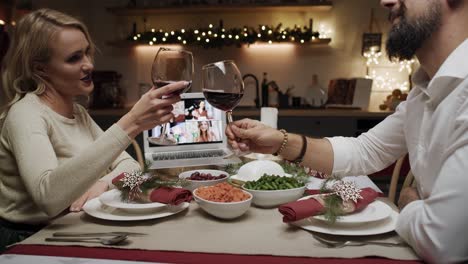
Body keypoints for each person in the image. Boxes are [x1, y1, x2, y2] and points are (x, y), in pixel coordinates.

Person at [226, 0, 468, 263]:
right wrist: (278, 142)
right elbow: (363, 151)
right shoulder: (422, 92)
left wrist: (407, 201)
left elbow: (442, 242)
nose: (385, 1)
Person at [0, 9, 188, 251]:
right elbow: (48, 198)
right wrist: (130, 123)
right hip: (29, 241)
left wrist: (102, 184)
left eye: (87, 52)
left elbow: (132, 168)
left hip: (73, 229)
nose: (88, 65)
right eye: (74, 58)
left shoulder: (78, 113)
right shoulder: (26, 114)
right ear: (41, 69)